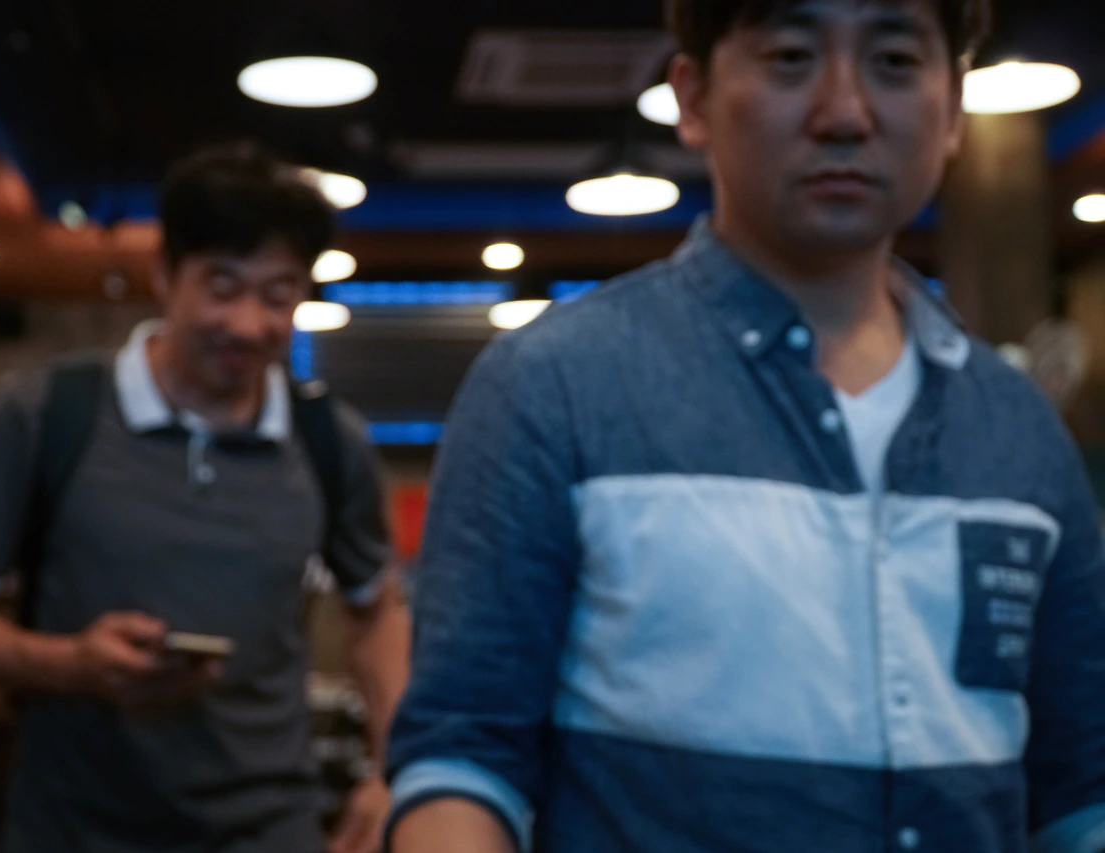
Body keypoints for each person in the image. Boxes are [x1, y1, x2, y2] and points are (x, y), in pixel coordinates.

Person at [386, 1, 1105, 851]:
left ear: (952, 108)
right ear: (693, 98)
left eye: (895, 62)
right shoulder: (552, 386)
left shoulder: (1018, 427)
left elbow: (1079, 789)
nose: (845, 112)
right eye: (792, 56)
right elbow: (464, 760)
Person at [0, 142, 409, 853]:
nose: (248, 325)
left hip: (271, 831)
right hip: (72, 831)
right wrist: (69, 663)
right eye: (222, 287)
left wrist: (393, 770)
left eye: (278, 294)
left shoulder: (328, 438)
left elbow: (377, 608)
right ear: (164, 274)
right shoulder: (48, 413)